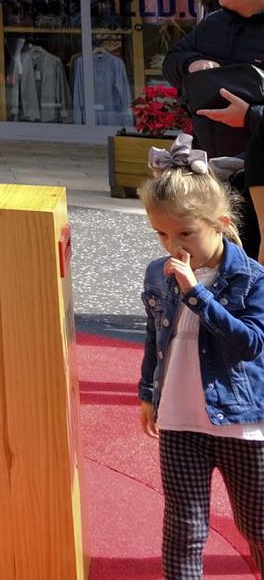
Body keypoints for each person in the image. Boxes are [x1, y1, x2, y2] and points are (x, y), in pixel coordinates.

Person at [136, 154, 264, 577]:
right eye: (162, 234)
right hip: (179, 419)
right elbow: (156, 336)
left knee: (257, 525)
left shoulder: (253, 278)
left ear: (222, 224)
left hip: (242, 424)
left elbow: (250, 345)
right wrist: (147, 394)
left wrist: (197, 293)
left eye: (186, 233)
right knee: (184, 528)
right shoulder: (158, 273)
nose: (174, 246)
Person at [164, 0, 264, 254]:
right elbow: (172, 61)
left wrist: (249, 115)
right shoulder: (215, 24)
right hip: (216, 176)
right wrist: (191, 63)